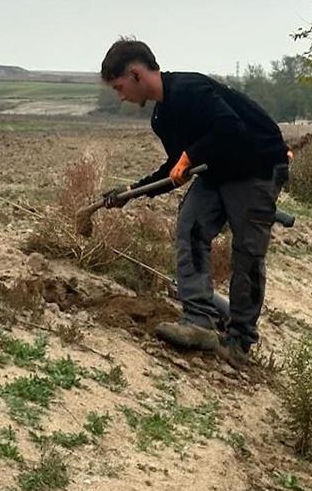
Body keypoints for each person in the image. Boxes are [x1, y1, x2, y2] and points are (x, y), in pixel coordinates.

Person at [98, 38, 289, 367]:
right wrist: (130, 192)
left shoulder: (190, 89)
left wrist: (190, 156)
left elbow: (229, 127)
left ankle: (239, 341)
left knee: (246, 251)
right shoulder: (161, 118)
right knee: (190, 226)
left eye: (119, 86)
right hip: (218, 172)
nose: (121, 96)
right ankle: (199, 320)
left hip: (257, 167)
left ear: (135, 74)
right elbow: (175, 170)